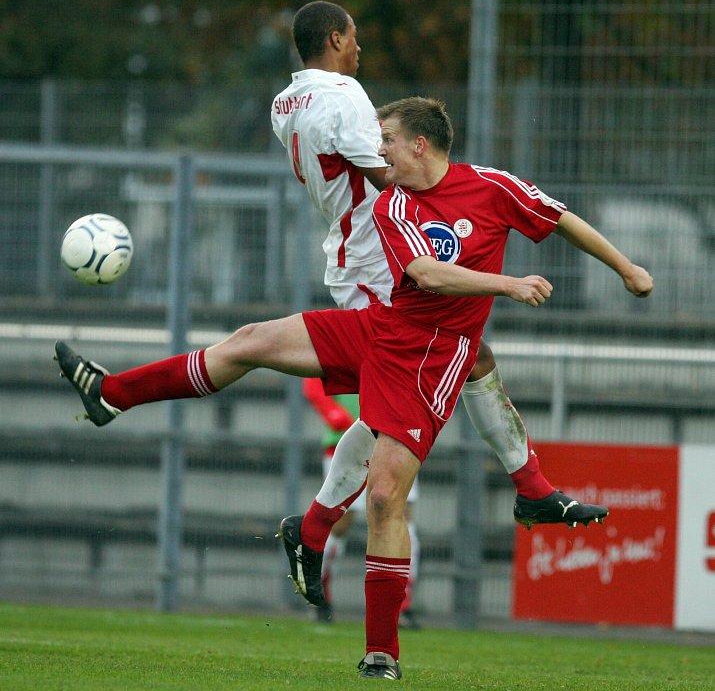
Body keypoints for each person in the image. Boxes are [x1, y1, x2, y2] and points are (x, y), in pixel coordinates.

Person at [54, 97, 652, 678]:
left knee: (387, 498)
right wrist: (508, 283)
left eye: (386, 138)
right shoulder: (393, 206)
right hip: (381, 330)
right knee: (251, 340)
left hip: (432, 360)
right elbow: (426, 275)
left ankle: (378, 652)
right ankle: (113, 396)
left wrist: (625, 267)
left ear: (420, 143)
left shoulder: (492, 187)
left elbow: (562, 217)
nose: (379, 149)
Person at [302, 378, 421, 628]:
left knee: (401, 518)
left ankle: (401, 604)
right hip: (347, 442)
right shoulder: (354, 339)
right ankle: (318, 589)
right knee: (340, 523)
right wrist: (333, 412)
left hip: (399, 439)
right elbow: (313, 381)